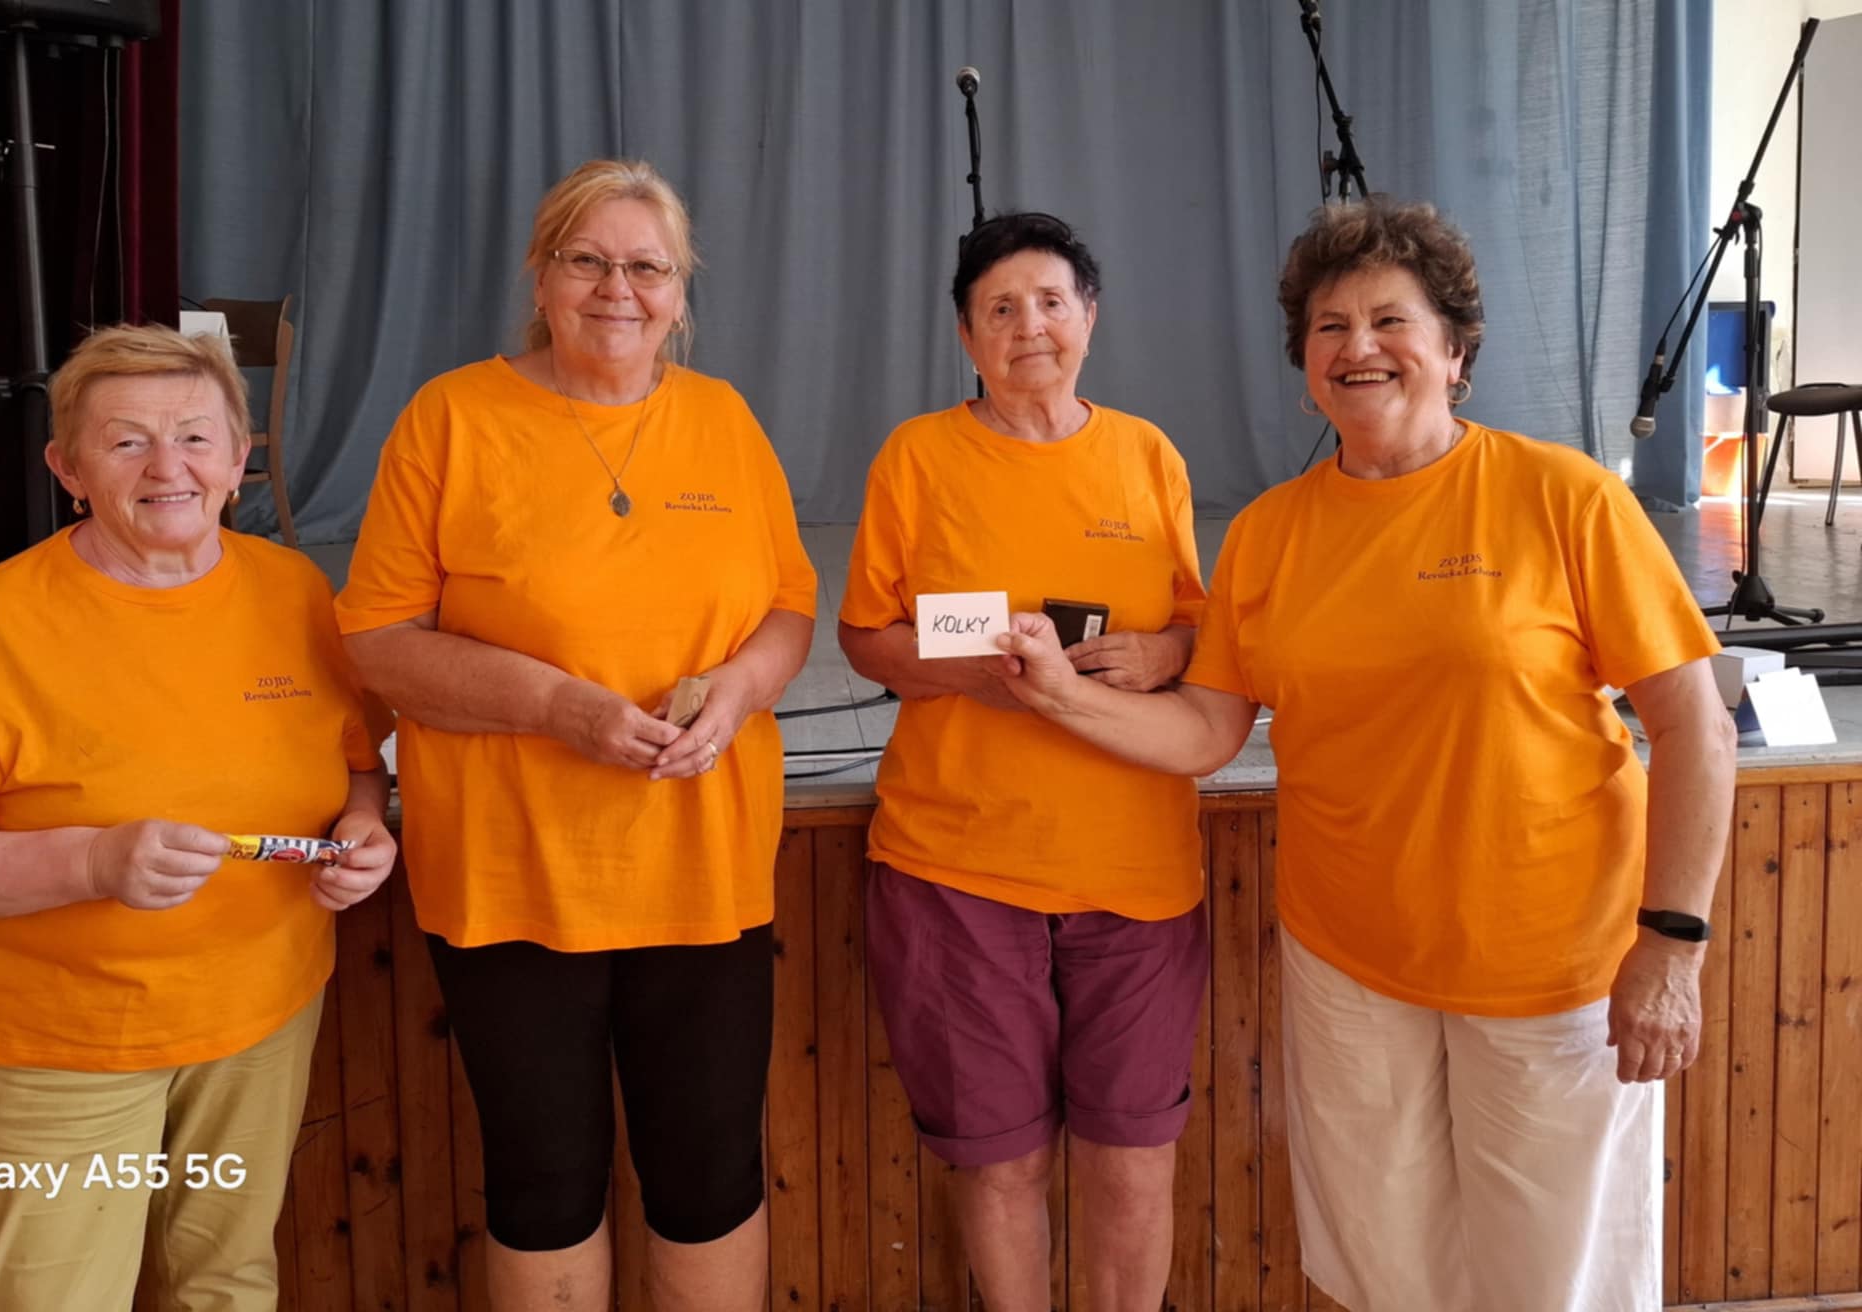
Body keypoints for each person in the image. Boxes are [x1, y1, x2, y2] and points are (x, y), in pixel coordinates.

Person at [994, 197, 1736, 1312]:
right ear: (1306, 366)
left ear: (1455, 351)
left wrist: (1671, 946)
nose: (1358, 347)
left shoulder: (1561, 497)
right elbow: (1206, 730)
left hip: (1548, 973)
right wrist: (1058, 694)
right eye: (1329, 327)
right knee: (1386, 1280)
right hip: (1347, 973)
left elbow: (1695, 727)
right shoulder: (1269, 533)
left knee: (1551, 1288)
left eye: (1391, 320)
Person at [336, 158, 815, 1312]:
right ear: (540, 276)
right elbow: (378, 641)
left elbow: (788, 608)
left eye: (646, 266)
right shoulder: (452, 418)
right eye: (586, 260)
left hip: (700, 869)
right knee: (543, 1184)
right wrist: (562, 708)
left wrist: (739, 690)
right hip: (512, 873)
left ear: (679, 291)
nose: (617, 289)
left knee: (708, 1177)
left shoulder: (721, 418)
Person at [0, 323, 396, 1311]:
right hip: (60, 1052)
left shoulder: (296, 593)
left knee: (227, 1287)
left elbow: (358, 764)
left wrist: (364, 829)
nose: (167, 467)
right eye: (127, 441)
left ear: (239, 459)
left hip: (262, 1023)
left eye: (194, 437)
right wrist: (94, 862)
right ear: (67, 469)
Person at [837, 211, 1210, 1312]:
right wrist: (978, 672)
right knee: (1000, 1164)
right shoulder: (916, 457)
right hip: (957, 869)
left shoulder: (1146, 454)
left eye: (1050, 301)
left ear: (1089, 317)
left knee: (1132, 1162)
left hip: (1136, 874)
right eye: (998, 308)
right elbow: (866, 636)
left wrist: (1162, 653)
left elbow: (1198, 628)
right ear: (966, 336)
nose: (1028, 326)